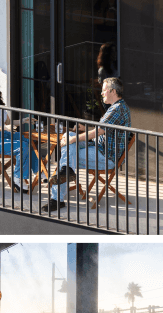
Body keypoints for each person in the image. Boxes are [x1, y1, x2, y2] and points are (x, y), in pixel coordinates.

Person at [44, 77, 131, 212]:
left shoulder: (117, 109)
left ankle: (56, 198)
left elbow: (99, 131)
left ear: (113, 91)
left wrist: (75, 140)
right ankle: (66, 173)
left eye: (104, 90)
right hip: (100, 148)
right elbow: (101, 129)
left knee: (67, 155)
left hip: (106, 157)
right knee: (68, 137)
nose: (101, 93)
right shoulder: (118, 106)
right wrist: (85, 129)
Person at [0, 77, 38, 193]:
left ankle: (38, 171)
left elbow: (9, 123)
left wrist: (24, 120)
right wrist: (5, 128)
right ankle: (17, 179)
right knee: (22, 147)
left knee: (28, 139)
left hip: (5, 134)